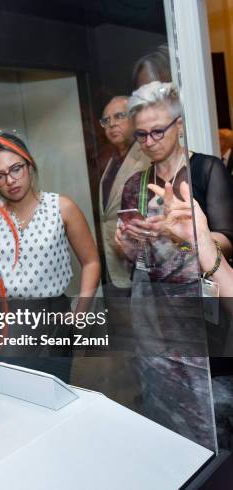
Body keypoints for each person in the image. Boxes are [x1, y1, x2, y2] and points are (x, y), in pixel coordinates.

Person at [115, 82, 233, 448]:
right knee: (167, 411)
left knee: (214, 411)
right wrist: (128, 246)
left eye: (157, 131)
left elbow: (228, 237)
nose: (148, 142)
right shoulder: (137, 182)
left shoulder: (206, 170)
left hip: (205, 309)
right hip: (157, 317)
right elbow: (139, 256)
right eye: (141, 135)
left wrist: (188, 239)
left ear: (179, 125)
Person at [0, 133, 101, 381]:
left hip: (53, 314)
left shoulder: (61, 207)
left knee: (55, 390)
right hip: (4, 319)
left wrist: (81, 311)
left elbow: (91, 262)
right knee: (10, 392)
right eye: (0, 176)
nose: (11, 180)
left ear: (30, 165)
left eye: (16, 169)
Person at [98, 96, 149, 292]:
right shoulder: (111, 160)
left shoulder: (146, 154)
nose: (112, 124)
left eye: (119, 116)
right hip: (117, 263)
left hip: (143, 263)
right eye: (106, 120)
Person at [146, 181, 232, 297]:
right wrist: (200, 238)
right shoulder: (138, 180)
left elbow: (228, 241)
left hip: (190, 293)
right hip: (154, 289)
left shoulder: (207, 169)